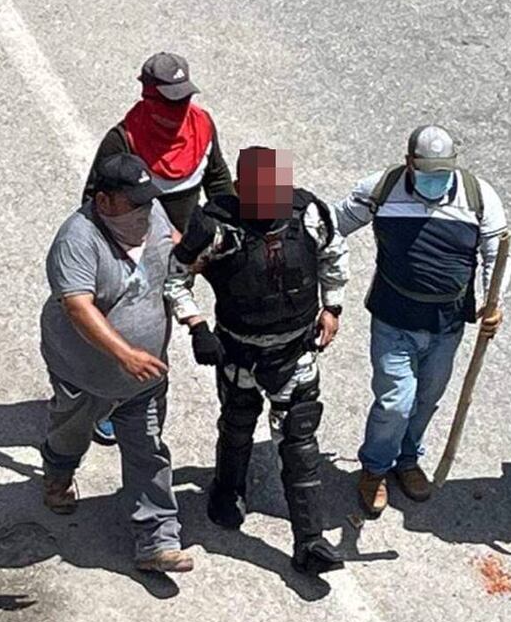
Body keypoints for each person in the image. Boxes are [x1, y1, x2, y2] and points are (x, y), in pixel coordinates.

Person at [164, 146, 350, 575]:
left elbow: (333, 254)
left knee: (300, 439)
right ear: (240, 189)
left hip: (295, 349)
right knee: (237, 424)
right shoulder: (216, 227)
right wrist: (197, 326)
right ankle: (228, 490)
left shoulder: (308, 215)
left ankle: (310, 542)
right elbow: (175, 277)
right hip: (239, 350)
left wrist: (332, 306)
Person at [333, 125, 508, 516]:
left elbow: (497, 254)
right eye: (428, 172)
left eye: (443, 173)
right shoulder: (382, 189)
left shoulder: (479, 197)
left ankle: (407, 459)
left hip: (447, 325)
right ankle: (375, 468)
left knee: (427, 399)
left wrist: (492, 303)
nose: (436, 181)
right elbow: (333, 227)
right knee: (396, 402)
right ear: (410, 162)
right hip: (393, 320)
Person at [39, 153, 192, 573]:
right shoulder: (77, 239)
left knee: (148, 450)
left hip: (145, 377)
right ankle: (58, 474)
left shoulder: (150, 213)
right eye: (134, 203)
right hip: (83, 372)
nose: (145, 211)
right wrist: (125, 354)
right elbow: (77, 306)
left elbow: (176, 249)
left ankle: (157, 540)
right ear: (104, 201)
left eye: (148, 201)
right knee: (71, 432)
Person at [83, 51, 235, 446]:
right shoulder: (123, 141)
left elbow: (219, 182)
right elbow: (94, 202)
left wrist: (221, 230)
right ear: (149, 97)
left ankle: (132, 398)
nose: (179, 108)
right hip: (130, 259)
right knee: (127, 330)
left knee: (158, 328)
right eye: (169, 101)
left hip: (179, 260)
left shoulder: (202, 127)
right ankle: (107, 400)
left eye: (184, 98)